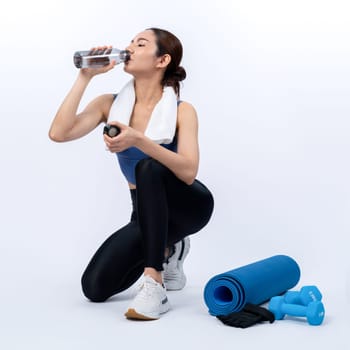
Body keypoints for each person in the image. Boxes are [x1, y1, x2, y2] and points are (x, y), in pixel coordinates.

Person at [48, 28, 214, 320]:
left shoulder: (183, 111)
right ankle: (168, 247)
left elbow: (188, 171)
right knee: (94, 288)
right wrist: (84, 77)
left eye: (140, 44)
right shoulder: (109, 105)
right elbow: (59, 133)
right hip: (145, 212)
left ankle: (155, 282)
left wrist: (140, 141)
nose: (130, 48)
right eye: (130, 43)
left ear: (162, 60)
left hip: (189, 205)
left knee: (147, 166)